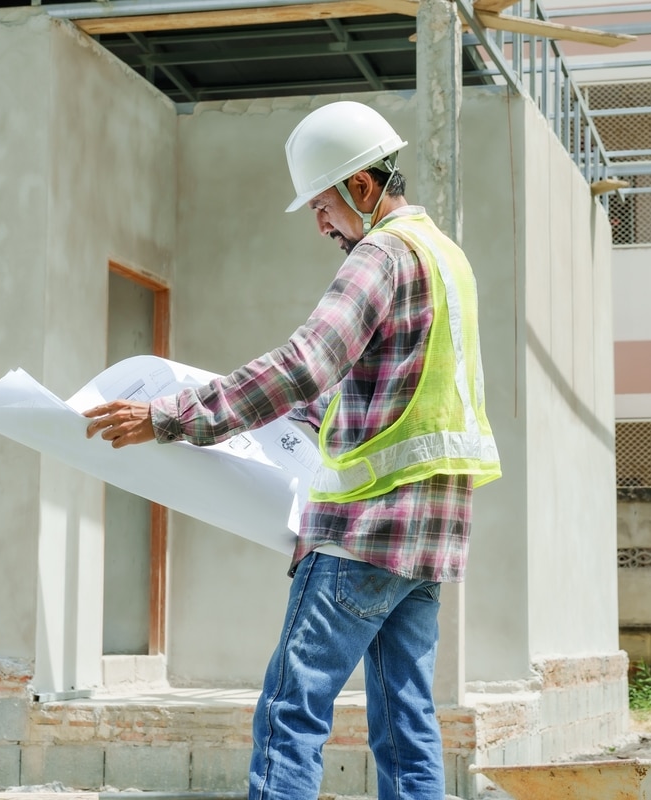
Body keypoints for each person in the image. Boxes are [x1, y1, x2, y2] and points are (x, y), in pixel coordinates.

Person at [83, 100, 500, 800]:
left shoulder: (380, 254)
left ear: (362, 190)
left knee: (289, 715)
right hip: (427, 540)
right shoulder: (445, 257)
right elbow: (380, 381)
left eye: (323, 204)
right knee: (406, 723)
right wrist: (294, 419)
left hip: (360, 535)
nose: (321, 223)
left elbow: (308, 361)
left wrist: (171, 416)